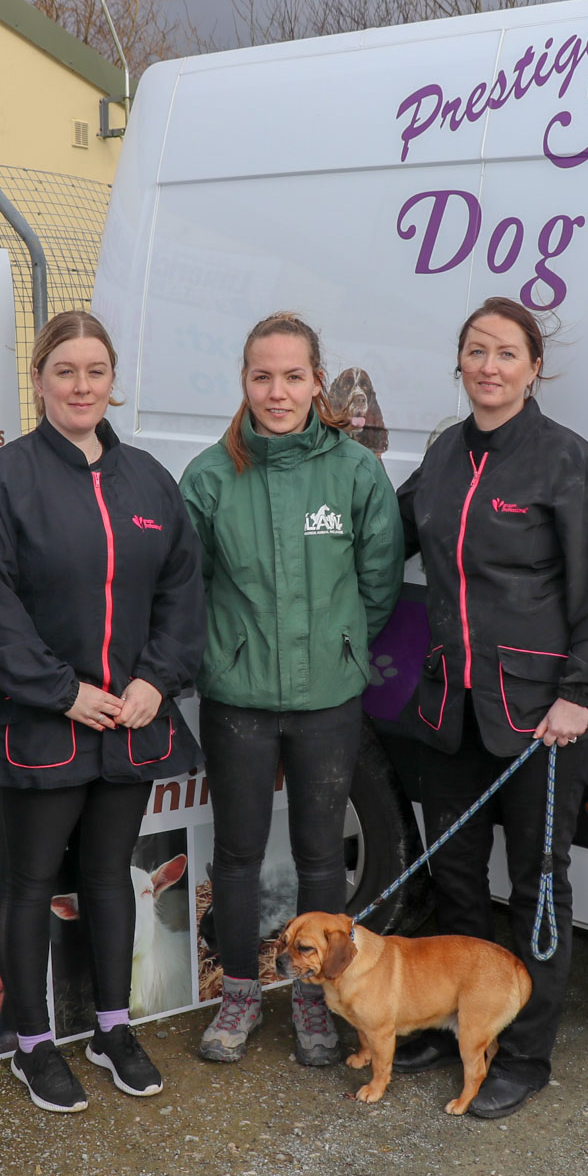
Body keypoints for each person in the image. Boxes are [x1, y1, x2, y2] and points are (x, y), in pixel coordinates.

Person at [0, 310, 205, 1114]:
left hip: (131, 722)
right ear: (38, 379)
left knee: (106, 877)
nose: (82, 385)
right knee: (27, 884)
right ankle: (31, 1045)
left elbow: (181, 592)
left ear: (111, 380)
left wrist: (156, 682)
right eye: (66, 371)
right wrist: (64, 692)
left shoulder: (150, 483)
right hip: (39, 724)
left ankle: (112, 1028)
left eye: (96, 371)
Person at [392, 295, 588, 1119]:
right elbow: (386, 534)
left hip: (540, 718)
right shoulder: (443, 454)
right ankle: (463, 1027)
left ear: (534, 368)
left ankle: (524, 1054)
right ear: (458, 363)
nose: (488, 367)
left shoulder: (566, 460)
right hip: (451, 710)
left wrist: (580, 696)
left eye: (506, 354)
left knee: (536, 887)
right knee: (455, 878)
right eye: (475, 351)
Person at [179, 312, 402, 1066]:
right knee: (237, 854)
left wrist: (340, 645)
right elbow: (193, 588)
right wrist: (228, 653)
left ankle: (313, 1001)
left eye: (294, 376)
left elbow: (378, 582)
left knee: (318, 856)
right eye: (262, 376)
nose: (278, 392)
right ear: (244, 381)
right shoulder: (210, 476)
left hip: (329, 697)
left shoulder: (354, 471)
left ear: (317, 381)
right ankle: (240, 996)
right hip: (237, 696)